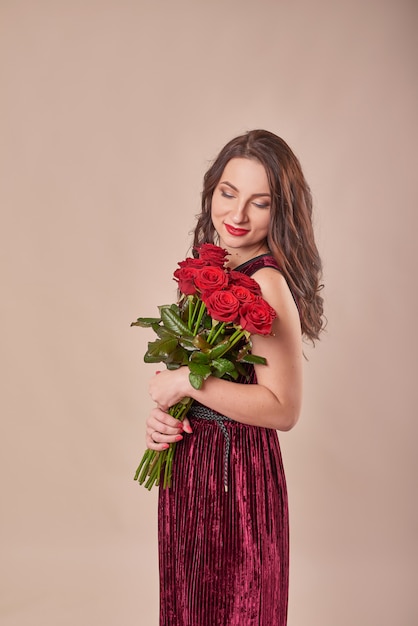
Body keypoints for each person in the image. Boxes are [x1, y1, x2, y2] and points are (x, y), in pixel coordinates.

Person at [144, 129, 324, 626]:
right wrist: (167, 420)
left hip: (234, 475)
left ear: (280, 212)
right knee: (193, 607)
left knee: (232, 606)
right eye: (228, 193)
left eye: (259, 203)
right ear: (211, 191)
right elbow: (204, 383)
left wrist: (186, 384)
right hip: (194, 465)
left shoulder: (265, 281)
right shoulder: (218, 266)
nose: (238, 215)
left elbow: (283, 408)